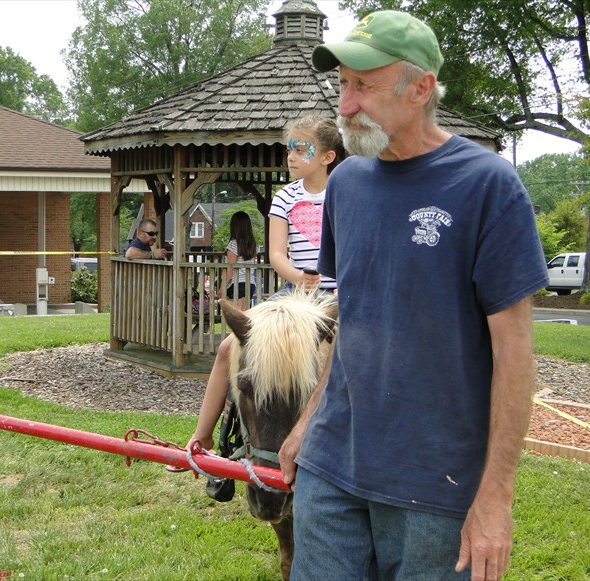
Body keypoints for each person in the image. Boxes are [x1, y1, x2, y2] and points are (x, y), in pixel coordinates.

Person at [277, 11, 550, 581]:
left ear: (420, 88)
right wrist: (308, 418)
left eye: (364, 86)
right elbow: (351, 317)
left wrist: (496, 496)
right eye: (342, 85)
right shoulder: (347, 185)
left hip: (436, 485)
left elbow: (514, 352)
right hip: (331, 468)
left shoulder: (487, 185)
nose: (345, 105)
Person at [175, 116, 345, 473]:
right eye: (290, 149)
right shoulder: (285, 197)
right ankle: (202, 436)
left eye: (302, 149)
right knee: (228, 348)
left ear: (327, 157)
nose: (292, 156)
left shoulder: (345, 195)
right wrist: (299, 277)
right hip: (293, 292)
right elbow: (277, 255)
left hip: (337, 295)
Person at [223, 211, 258, 311]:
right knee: (244, 315)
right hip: (250, 283)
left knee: (235, 316)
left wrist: (222, 288)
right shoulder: (252, 245)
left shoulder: (233, 244)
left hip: (236, 284)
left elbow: (229, 270)